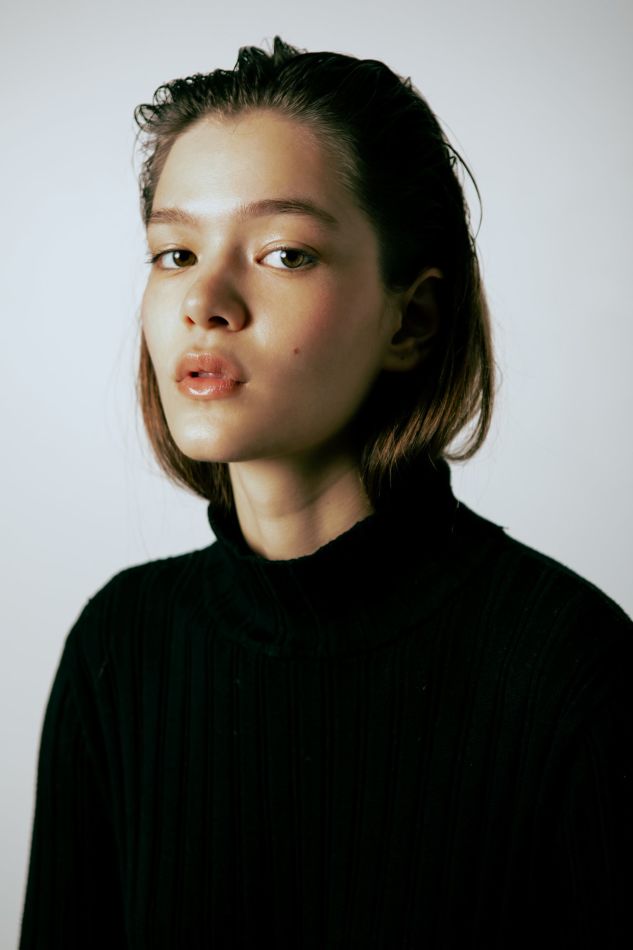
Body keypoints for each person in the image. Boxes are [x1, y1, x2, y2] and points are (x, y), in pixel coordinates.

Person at [19, 37, 631, 949]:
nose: (205, 301)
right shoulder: (120, 648)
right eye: (175, 252)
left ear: (411, 319)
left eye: (284, 253)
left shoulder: (570, 669)